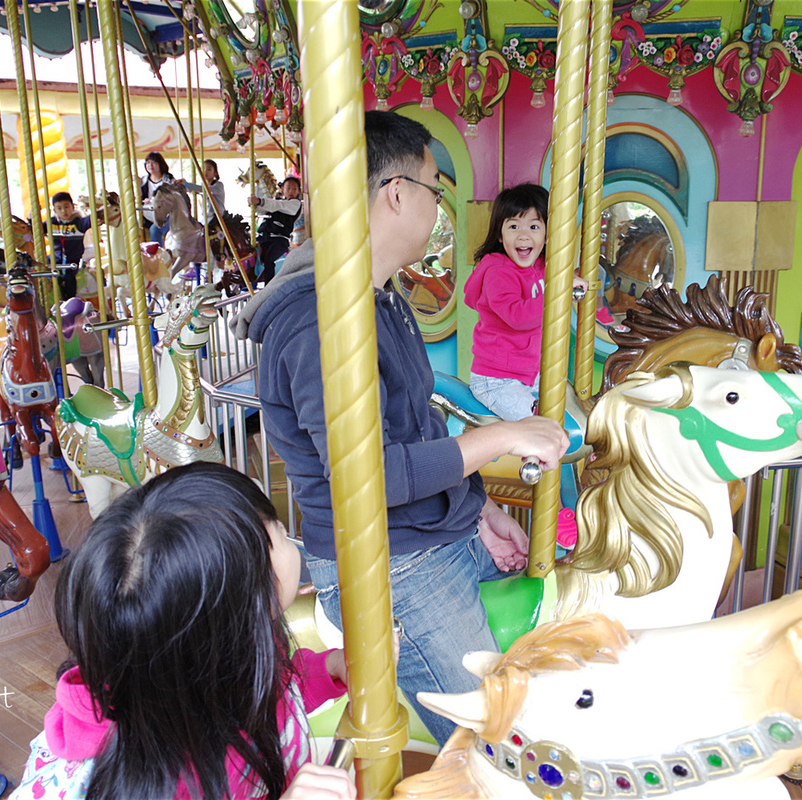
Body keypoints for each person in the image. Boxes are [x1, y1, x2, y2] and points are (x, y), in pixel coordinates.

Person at [234, 111, 568, 745]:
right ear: (395, 193)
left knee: (536, 699)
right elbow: (371, 475)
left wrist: (478, 508)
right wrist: (503, 436)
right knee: (500, 742)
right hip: (396, 567)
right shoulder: (319, 321)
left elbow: (415, 428)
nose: (437, 205)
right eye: (433, 188)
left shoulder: (383, 298)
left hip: (432, 538)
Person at [8, 463, 356, 800]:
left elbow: (274, 689)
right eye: (277, 534)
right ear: (247, 600)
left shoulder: (214, 653)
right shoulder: (152, 779)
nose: (284, 534)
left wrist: (329, 669)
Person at [464, 184, 589, 420]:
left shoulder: (541, 266)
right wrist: (559, 290)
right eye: (513, 226)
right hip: (497, 380)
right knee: (539, 425)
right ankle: (533, 458)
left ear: (546, 234)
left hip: (530, 373)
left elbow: (552, 282)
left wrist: (567, 280)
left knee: (571, 410)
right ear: (500, 236)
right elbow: (518, 316)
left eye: (533, 226)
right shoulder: (498, 272)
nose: (523, 235)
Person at [250, 176, 302, 284]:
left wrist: (260, 201)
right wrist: (254, 204)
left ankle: (269, 287)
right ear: (282, 189)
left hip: (279, 240)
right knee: (250, 252)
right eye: (288, 188)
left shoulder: (295, 204)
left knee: (269, 259)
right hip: (264, 237)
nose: (291, 191)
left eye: (294, 189)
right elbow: (263, 211)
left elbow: (278, 205)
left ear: (298, 191)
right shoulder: (277, 203)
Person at [48, 191, 92, 300]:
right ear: (54, 210)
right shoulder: (51, 223)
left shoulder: (79, 223)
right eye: (59, 208)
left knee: (68, 276)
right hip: (55, 259)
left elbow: (93, 218)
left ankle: (70, 299)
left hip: (72, 260)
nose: (63, 211)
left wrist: (93, 206)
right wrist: (31, 217)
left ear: (73, 207)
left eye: (66, 207)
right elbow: (34, 228)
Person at [140, 151, 174, 244]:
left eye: (154, 163)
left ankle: (157, 254)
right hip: (147, 214)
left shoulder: (168, 180)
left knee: (155, 230)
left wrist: (152, 200)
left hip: (165, 215)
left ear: (160, 164)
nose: (150, 165)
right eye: (148, 163)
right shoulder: (143, 181)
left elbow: (171, 198)